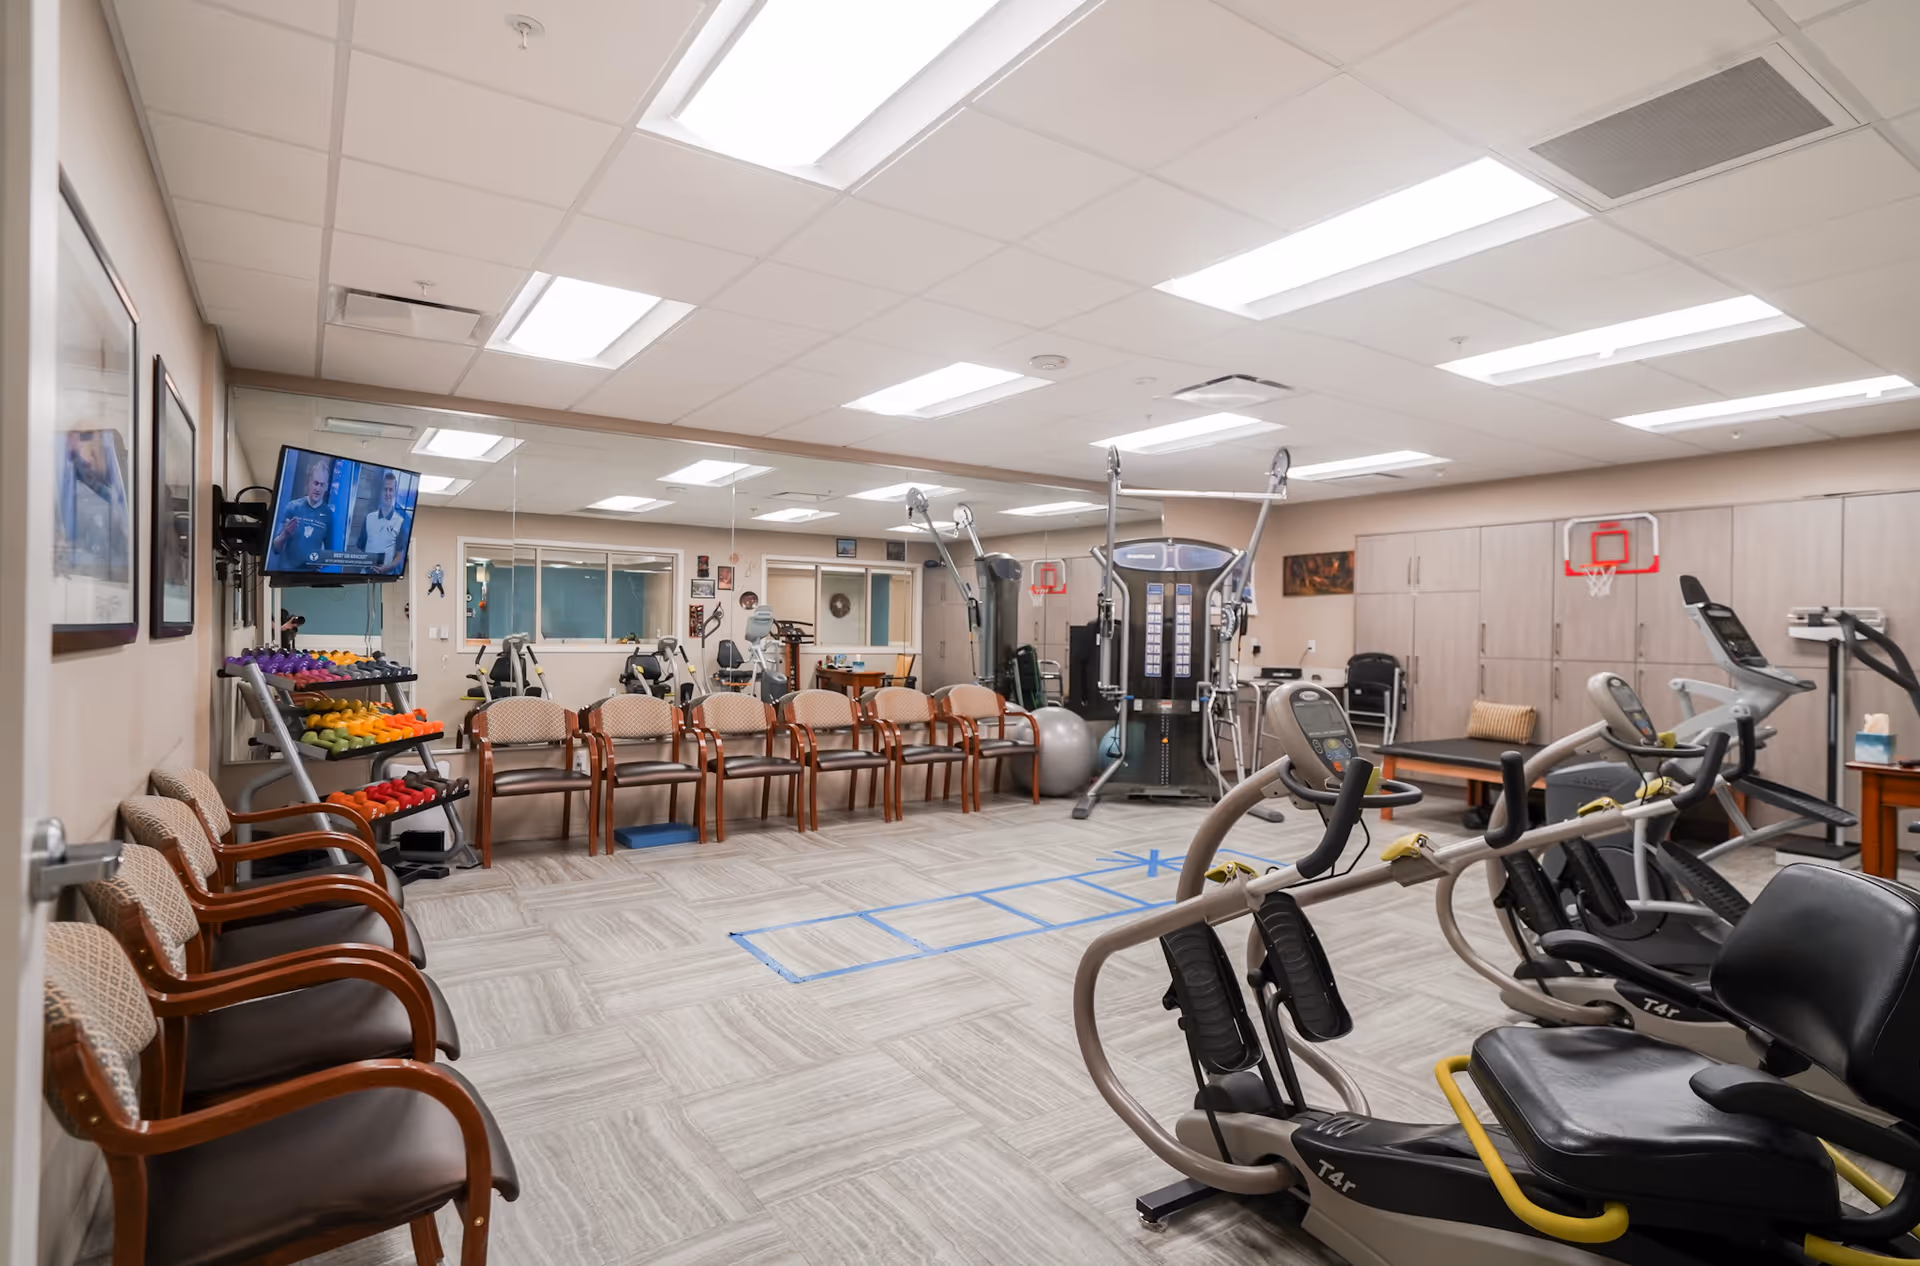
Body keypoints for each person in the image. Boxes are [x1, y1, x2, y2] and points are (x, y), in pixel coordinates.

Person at [269, 455, 334, 572]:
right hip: (286, 573)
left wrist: (323, 561)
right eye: (316, 483)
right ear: (309, 482)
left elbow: (330, 553)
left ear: (326, 487)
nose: (318, 488)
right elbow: (275, 548)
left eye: (322, 484)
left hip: (310, 576)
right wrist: (285, 534)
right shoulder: (292, 507)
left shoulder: (328, 514)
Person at [358, 470, 409, 574]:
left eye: (390, 490)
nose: (387, 493)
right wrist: (365, 562)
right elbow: (359, 548)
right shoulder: (369, 518)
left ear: (395, 492)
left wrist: (387, 567)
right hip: (365, 574)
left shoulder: (400, 522)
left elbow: (400, 555)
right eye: (385, 489)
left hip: (386, 575)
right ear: (381, 491)